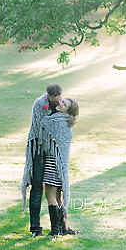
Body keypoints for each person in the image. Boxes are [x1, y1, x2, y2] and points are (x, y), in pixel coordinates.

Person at [21, 84, 62, 237]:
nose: (58, 103)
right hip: (38, 146)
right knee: (37, 186)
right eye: (55, 100)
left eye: (59, 100)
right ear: (48, 96)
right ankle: (35, 228)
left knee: (56, 186)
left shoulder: (61, 102)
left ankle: (59, 228)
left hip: (53, 148)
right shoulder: (40, 103)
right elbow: (41, 127)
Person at [41, 97, 80, 236]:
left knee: (50, 196)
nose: (60, 103)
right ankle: (63, 227)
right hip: (60, 165)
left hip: (53, 162)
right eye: (62, 100)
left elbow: (42, 122)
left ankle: (55, 230)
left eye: (64, 104)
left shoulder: (56, 120)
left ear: (67, 111)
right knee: (57, 197)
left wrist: (46, 107)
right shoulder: (66, 123)